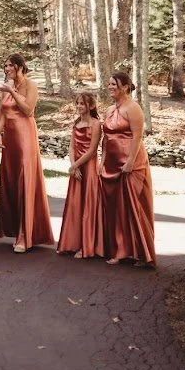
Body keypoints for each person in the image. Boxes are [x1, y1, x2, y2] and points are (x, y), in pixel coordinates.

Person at [0, 53, 55, 253]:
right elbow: (4, 113)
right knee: (11, 180)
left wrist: (11, 91)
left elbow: (28, 110)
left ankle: (25, 234)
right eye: (5, 66)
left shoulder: (30, 85)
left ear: (20, 67)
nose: (7, 69)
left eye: (10, 65)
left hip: (25, 136)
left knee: (24, 179)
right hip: (10, 137)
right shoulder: (7, 87)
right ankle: (14, 229)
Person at [100, 71, 156, 267]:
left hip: (131, 164)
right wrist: (102, 162)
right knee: (115, 209)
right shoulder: (109, 110)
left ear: (125, 86)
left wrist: (130, 161)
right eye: (109, 83)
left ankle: (140, 253)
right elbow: (106, 139)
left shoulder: (133, 108)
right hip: (110, 166)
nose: (110, 87)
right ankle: (119, 250)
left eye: (114, 84)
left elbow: (137, 136)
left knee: (132, 207)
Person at [57, 92, 104, 258]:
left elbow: (92, 151)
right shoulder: (76, 123)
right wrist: (73, 166)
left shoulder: (96, 124)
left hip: (88, 167)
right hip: (76, 167)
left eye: (82, 104)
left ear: (91, 106)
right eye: (77, 103)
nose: (79, 106)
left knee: (87, 205)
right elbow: (71, 147)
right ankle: (72, 243)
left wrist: (76, 165)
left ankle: (86, 246)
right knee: (75, 205)